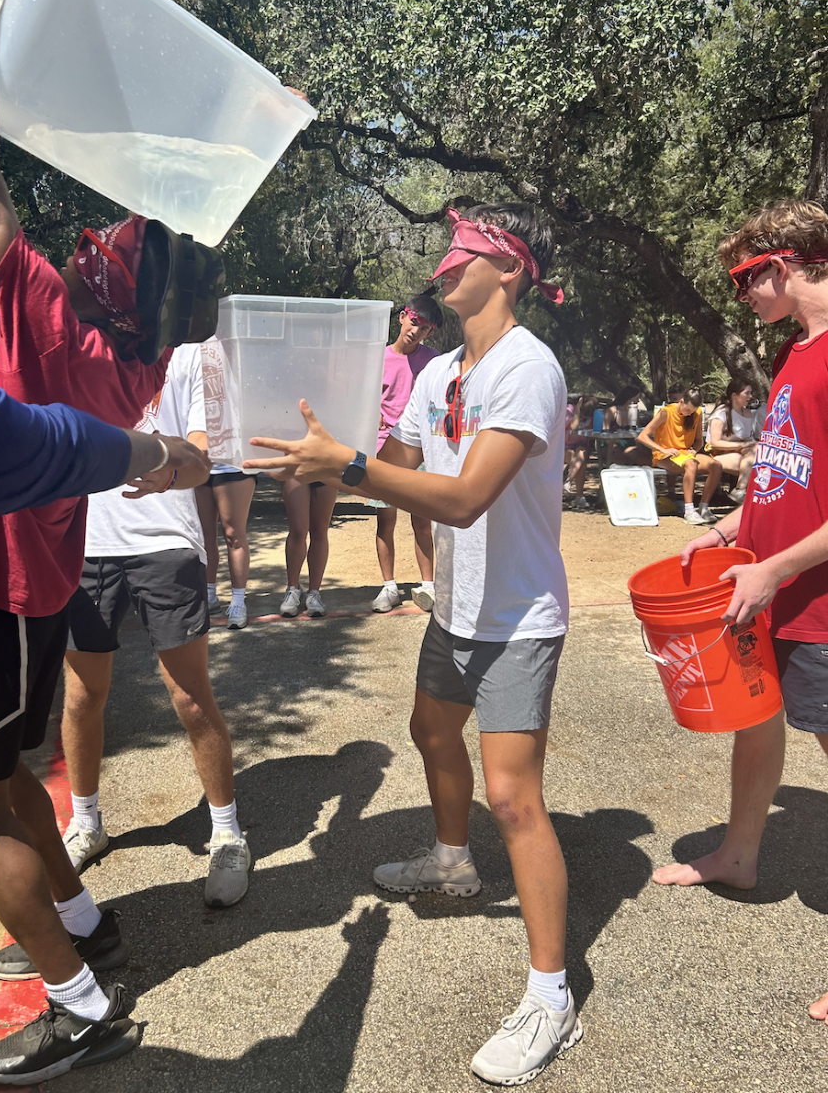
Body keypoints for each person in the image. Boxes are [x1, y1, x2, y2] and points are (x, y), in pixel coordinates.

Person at [0, 0, 216, 1083]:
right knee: (15, 771)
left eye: (115, 248)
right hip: (37, 590)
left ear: (112, 290)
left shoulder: (43, 312)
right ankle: (81, 921)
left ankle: (79, 1002)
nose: (92, 241)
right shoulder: (132, 358)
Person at [249, 203, 581, 1086]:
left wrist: (347, 468)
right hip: (455, 609)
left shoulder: (527, 369)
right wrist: (310, 455)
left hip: (517, 619)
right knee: (430, 734)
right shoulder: (441, 372)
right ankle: (452, 862)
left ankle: (552, 997)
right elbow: (389, 452)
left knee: (515, 798)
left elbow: (464, 496)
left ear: (508, 269)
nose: (443, 265)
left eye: (462, 252)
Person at [651, 200, 828, 1027]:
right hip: (777, 592)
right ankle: (740, 854)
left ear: (786, 263)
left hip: (817, 604)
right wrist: (730, 531)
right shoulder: (799, 351)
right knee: (758, 723)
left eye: (744, 277)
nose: (740, 295)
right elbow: (784, 469)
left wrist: (777, 569)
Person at [61, 344, 251, 908]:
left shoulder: (195, 352)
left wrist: (166, 473)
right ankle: (87, 822)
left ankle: (226, 833)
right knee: (80, 696)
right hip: (85, 543)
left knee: (191, 698)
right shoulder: (78, 337)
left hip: (166, 545)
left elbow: (202, 460)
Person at [369, 290, 441, 613]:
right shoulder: (377, 359)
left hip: (422, 453)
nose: (416, 331)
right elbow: (366, 403)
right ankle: (389, 587)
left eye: (424, 328)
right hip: (385, 452)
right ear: (402, 317)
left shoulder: (434, 361)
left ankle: (428, 587)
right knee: (385, 521)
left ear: (430, 333)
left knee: (422, 522)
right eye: (414, 322)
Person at [635, 387, 722, 525]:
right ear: (681, 401)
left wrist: (694, 449)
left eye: (692, 412)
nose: (689, 414)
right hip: (664, 456)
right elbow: (642, 436)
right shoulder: (666, 412)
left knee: (716, 466)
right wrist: (663, 449)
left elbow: (699, 440)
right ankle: (689, 510)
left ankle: (704, 508)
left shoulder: (697, 413)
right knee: (691, 464)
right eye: (687, 410)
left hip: (686, 454)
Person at [195, 464, 256, 629]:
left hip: (233, 469)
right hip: (199, 468)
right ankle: (209, 595)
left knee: (233, 535)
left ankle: (238, 601)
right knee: (203, 537)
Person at [279, 476, 338, 618]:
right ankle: (293, 589)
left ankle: (314, 593)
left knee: (319, 531)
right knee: (298, 530)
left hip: (325, 467)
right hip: (296, 468)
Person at [707, 377, 758, 504]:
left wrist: (746, 444)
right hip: (717, 454)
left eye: (751, 393)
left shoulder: (747, 414)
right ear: (734, 395)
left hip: (741, 453)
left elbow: (746, 439)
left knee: (758, 455)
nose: (750, 396)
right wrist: (742, 445)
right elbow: (715, 442)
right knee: (756, 466)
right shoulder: (721, 413)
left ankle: (741, 492)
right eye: (747, 393)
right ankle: (741, 491)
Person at [564, 395, 596, 508]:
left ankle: (568, 480)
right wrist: (577, 410)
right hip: (564, 446)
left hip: (581, 445)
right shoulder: (569, 410)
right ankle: (579, 496)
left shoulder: (593, 414)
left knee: (581, 454)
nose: (585, 416)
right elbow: (573, 426)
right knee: (578, 460)